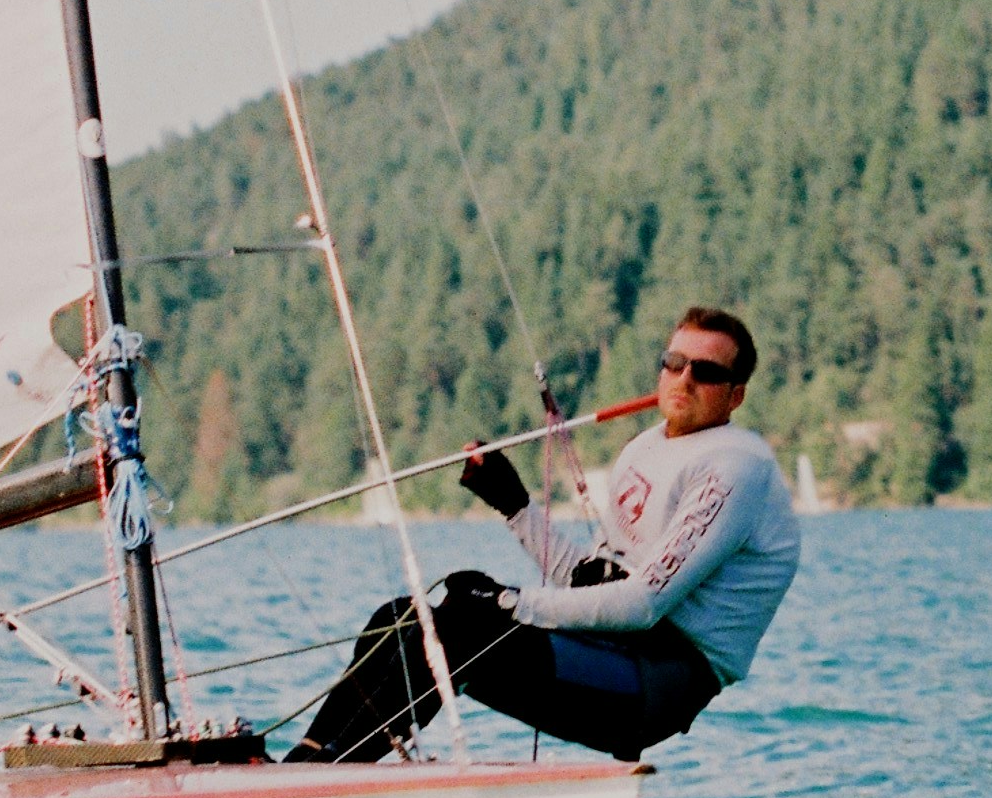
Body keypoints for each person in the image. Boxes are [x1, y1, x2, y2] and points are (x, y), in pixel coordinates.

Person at [288, 306, 803, 764]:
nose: (684, 379)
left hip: (657, 682)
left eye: (706, 372)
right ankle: (308, 764)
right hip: (608, 647)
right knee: (401, 619)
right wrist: (513, 505)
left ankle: (324, 775)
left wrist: (509, 602)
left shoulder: (736, 467)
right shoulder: (645, 448)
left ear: (735, 395)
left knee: (464, 632)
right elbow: (588, 584)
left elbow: (642, 605)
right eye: (674, 362)